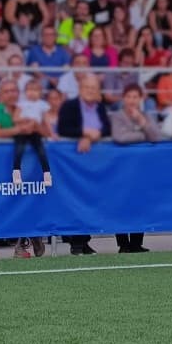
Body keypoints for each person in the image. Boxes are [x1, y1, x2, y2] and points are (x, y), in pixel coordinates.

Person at [0, 79, 48, 259]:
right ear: (0, 94)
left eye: (14, 90)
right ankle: (22, 243)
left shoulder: (29, 107)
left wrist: (36, 127)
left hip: (32, 165)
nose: (11, 94)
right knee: (14, 203)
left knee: (31, 201)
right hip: (5, 166)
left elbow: (46, 131)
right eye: (7, 91)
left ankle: (32, 236)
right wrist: (20, 129)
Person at [57, 74, 111, 255]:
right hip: (72, 160)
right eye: (87, 88)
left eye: (94, 88)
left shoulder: (100, 107)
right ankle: (76, 242)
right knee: (75, 199)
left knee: (91, 199)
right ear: (80, 89)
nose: (90, 91)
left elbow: (107, 128)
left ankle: (85, 240)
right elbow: (63, 128)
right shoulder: (70, 106)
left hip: (96, 159)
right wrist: (84, 133)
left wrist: (92, 135)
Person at [109, 83, 157, 252]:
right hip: (120, 168)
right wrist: (142, 136)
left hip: (141, 168)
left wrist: (142, 122)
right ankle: (123, 244)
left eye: (135, 97)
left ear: (141, 99)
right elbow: (119, 137)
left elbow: (155, 136)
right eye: (129, 96)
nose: (132, 100)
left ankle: (136, 243)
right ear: (124, 98)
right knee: (120, 204)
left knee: (139, 203)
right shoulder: (117, 116)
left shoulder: (145, 115)